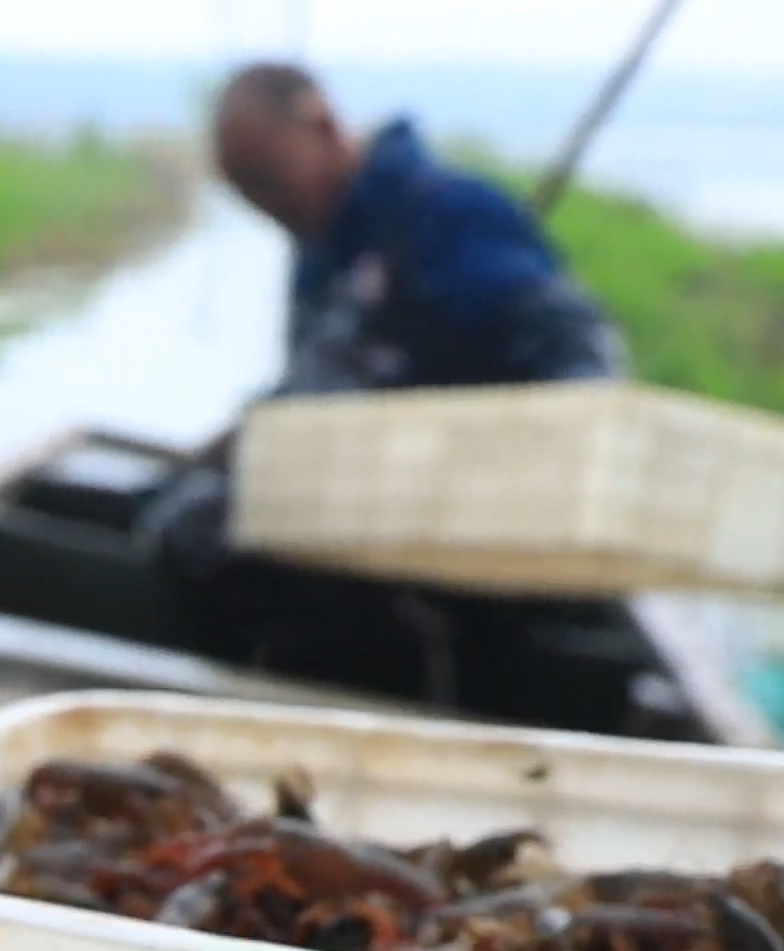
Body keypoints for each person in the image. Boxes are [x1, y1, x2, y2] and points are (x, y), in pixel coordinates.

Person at [145, 63, 627, 587]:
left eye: (273, 180)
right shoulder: (320, 255)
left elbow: (577, 346)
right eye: (249, 195)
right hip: (343, 514)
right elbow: (323, 379)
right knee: (181, 518)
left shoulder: (445, 217)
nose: (270, 207)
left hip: (444, 537)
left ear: (323, 126)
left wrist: (526, 465)